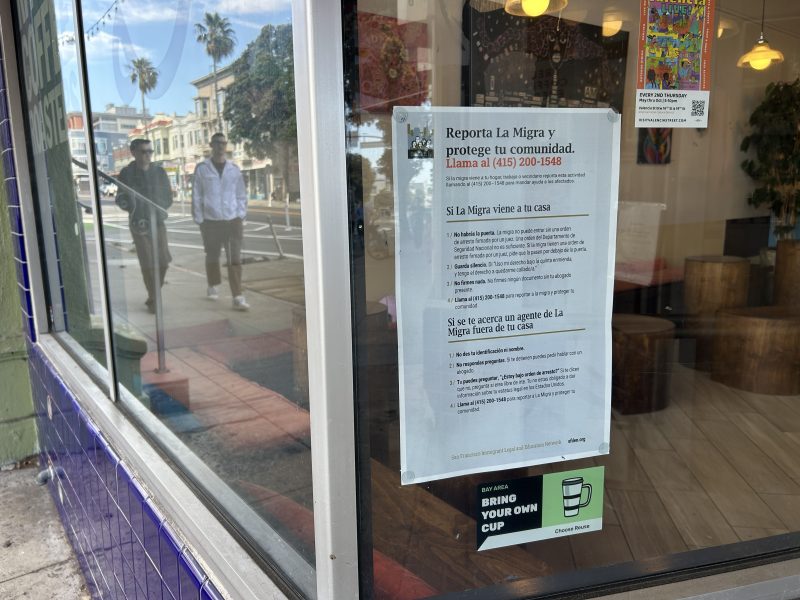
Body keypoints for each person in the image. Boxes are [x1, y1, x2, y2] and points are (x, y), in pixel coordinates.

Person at [192, 132, 250, 311]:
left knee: (234, 260)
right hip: (211, 222)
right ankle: (213, 283)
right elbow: (197, 195)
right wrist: (200, 219)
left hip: (232, 221)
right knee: (212, 256)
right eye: (217, 143)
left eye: (223, 143)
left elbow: (241, 194)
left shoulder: (234, 169)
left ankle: (237, 296)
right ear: (211, 145)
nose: (220, 146)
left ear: (226, 146)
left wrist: (240, 214)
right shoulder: (202, 169)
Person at [115, 138, 173, 314]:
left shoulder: (159, 172)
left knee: (163, 262)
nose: (148, 155)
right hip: (139, 224)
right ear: (133, 152)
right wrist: (132, 204)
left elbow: (168, 197)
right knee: (148, 262)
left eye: (150, 151)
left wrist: (156, 205)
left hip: (157, 221)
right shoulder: (127, 173)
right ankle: (155, 298)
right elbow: (120, 198)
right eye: (143, 151)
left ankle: (153, 294)